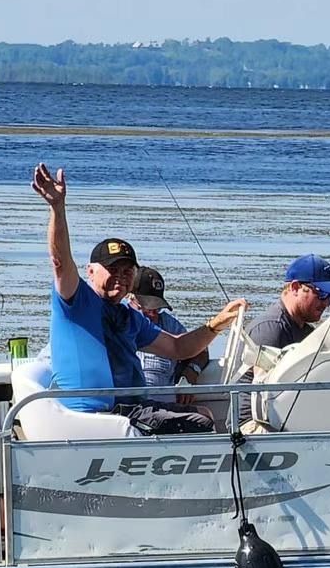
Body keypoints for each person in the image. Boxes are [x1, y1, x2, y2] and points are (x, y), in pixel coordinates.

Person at [32, 163, 244, 435]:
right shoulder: (76, 301)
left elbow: (179, 347)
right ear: (91, 271)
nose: (120, 277)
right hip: (100, 414)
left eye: (127, 271)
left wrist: (216, 324)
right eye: (113, 270)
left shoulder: (129, 317)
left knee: (204, 413)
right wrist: (57, 207)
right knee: (199, 423)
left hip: (133, 408)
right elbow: (60, 261)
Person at [236, 253, 330, 425]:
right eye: (322, 294)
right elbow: (265, 393)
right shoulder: (271, 329)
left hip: (287, 417)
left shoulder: (306, 331)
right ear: (295, 287)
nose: (327, 303)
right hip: (253, 424)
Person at [129, 266, 210, 403]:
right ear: (131, 297)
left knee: (203, 414)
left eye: (157, 308)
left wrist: (191, 372)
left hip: (162, 402)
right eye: (148, 308)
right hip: (129, 400)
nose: (153, 314)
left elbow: (201, 350)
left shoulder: (170, 324)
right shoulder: (121, 319)